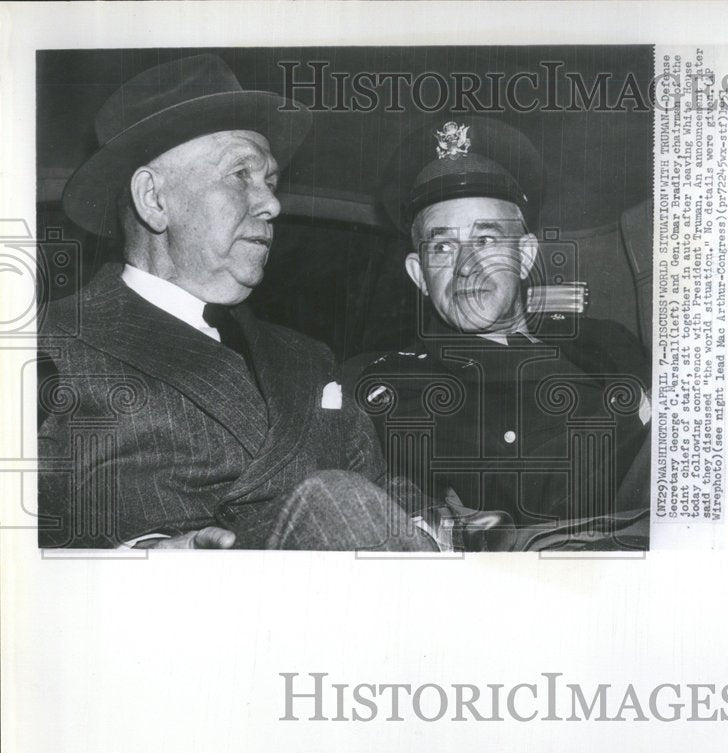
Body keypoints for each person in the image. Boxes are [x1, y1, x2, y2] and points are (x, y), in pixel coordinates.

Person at [37, 54, 436, 551]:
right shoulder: (45, 347)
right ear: (153, 200)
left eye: (269, 182)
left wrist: (434, 521)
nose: (272, 204)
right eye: (240, 175)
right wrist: (142, 559)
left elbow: (378, 490)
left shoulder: (309, 360)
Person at [353, 118, 651, 549]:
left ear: (526, 255)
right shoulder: (402, 385)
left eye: (487, 240)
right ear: (419, 275)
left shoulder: (606, 341)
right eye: (442, 247)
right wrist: (641, 415)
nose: (466, 266)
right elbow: (531, 492)